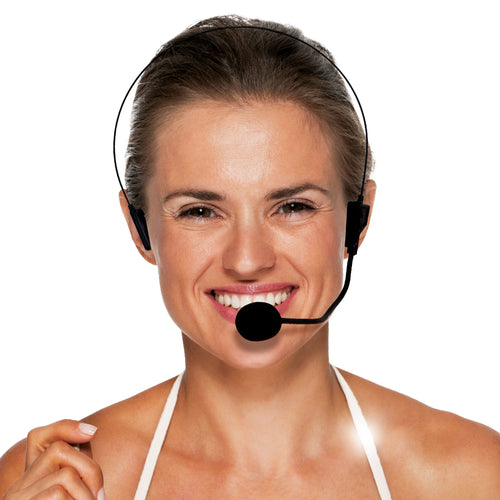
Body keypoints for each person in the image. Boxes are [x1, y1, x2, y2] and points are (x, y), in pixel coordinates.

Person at [1, 15, 499, 499]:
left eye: (293, 207)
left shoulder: (475, 476)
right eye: (200, 211)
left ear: (358, 221)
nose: (246, 260)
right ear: (140, 227)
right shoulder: (48, 480)